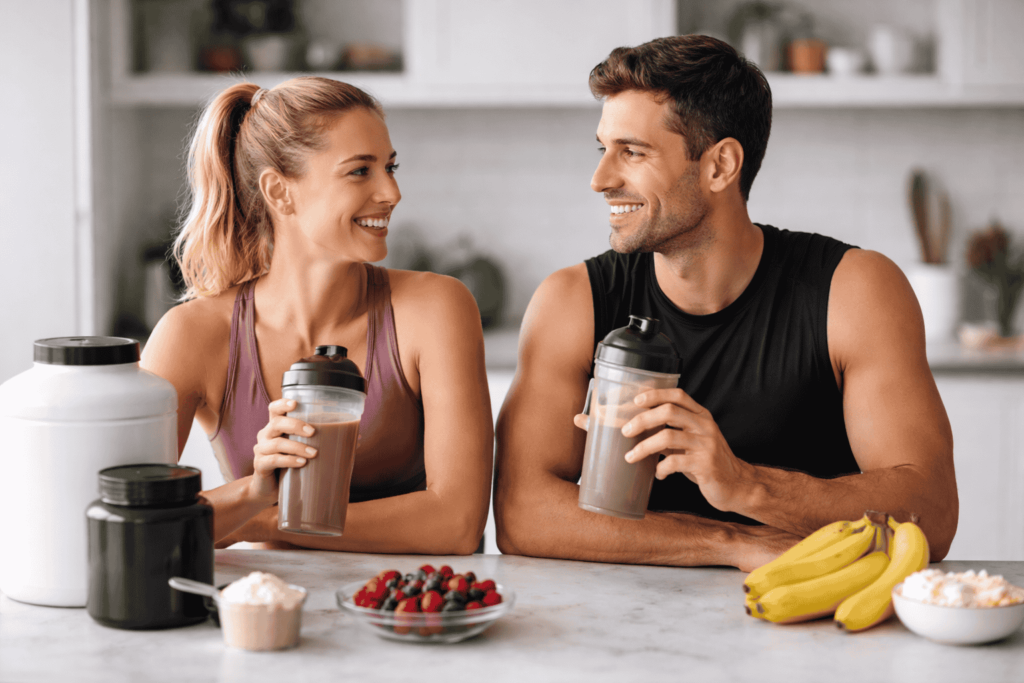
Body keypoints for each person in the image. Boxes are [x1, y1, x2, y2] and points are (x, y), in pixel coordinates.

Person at [493, 35, 958, 572]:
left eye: (632, 152)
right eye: (603, 149)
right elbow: (521, 513)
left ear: (720, 166)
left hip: (816, 621)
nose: (600, 179)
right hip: (623, 628)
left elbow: (934, 513)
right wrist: (729, 543)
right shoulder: (572, 301)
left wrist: (746, 486)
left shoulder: (854, 291)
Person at [142, 77, 492, 553]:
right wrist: (254, 491)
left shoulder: (437, 309)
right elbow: (137, 521)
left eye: (390, 167)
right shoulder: (192, 335)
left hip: (410, 613)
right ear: (280, 192)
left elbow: (457, 523)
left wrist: (260, 520)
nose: (392, 192)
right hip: (270, 610)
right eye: (359, 172)